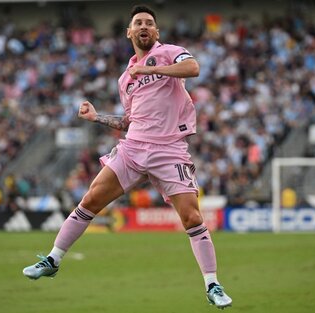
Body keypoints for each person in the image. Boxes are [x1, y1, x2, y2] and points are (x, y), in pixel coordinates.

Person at [22, 4, 232, 309]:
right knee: (91, 199)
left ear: (157, 32)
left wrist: (150, 68)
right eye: (138, 23)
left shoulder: (171, 52)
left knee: (192, 217)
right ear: (129, 32)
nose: (144, 26)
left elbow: (193, 69)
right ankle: (53, 259)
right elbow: (129, 121)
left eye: (149, 22)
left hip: (170, 149)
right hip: (133, 148)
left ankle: (212, 284)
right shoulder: (125, 79)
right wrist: (96, 117)